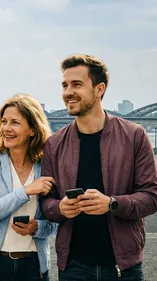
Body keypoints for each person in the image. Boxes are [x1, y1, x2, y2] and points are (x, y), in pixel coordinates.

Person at [40, 54, 157, 280]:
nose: (67, 92)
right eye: (65, 85)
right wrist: (60, 208)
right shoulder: (54, 144)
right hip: (73, 265)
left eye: (77, 84)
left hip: (123, 265)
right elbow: (46, 203)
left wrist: (112, 204)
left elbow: (152, 197)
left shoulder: (134, 136)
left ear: (99, 89)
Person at [0, 94, 57, 281]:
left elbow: (57, 223)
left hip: (34, 266)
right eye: (4, 121)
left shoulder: (47, 166)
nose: (6, 128)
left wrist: (37, 228)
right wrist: (26, 191)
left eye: (15, 123)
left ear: (33, 129)